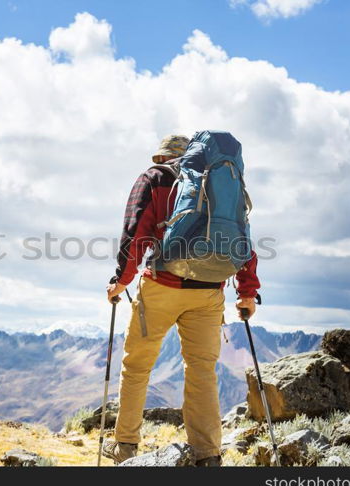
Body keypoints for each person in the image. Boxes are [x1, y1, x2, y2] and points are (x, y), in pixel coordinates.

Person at [102, 134, 261, 466]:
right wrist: (246, 291)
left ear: (162, 157)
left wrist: (121, 281)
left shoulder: (155, 179)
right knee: (202, 371)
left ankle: (126, 446)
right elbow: (241, 236)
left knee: (137, 367)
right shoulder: (221, 184)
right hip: (209, 291)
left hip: (162, 285)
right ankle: (207, 455)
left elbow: (136, 233)